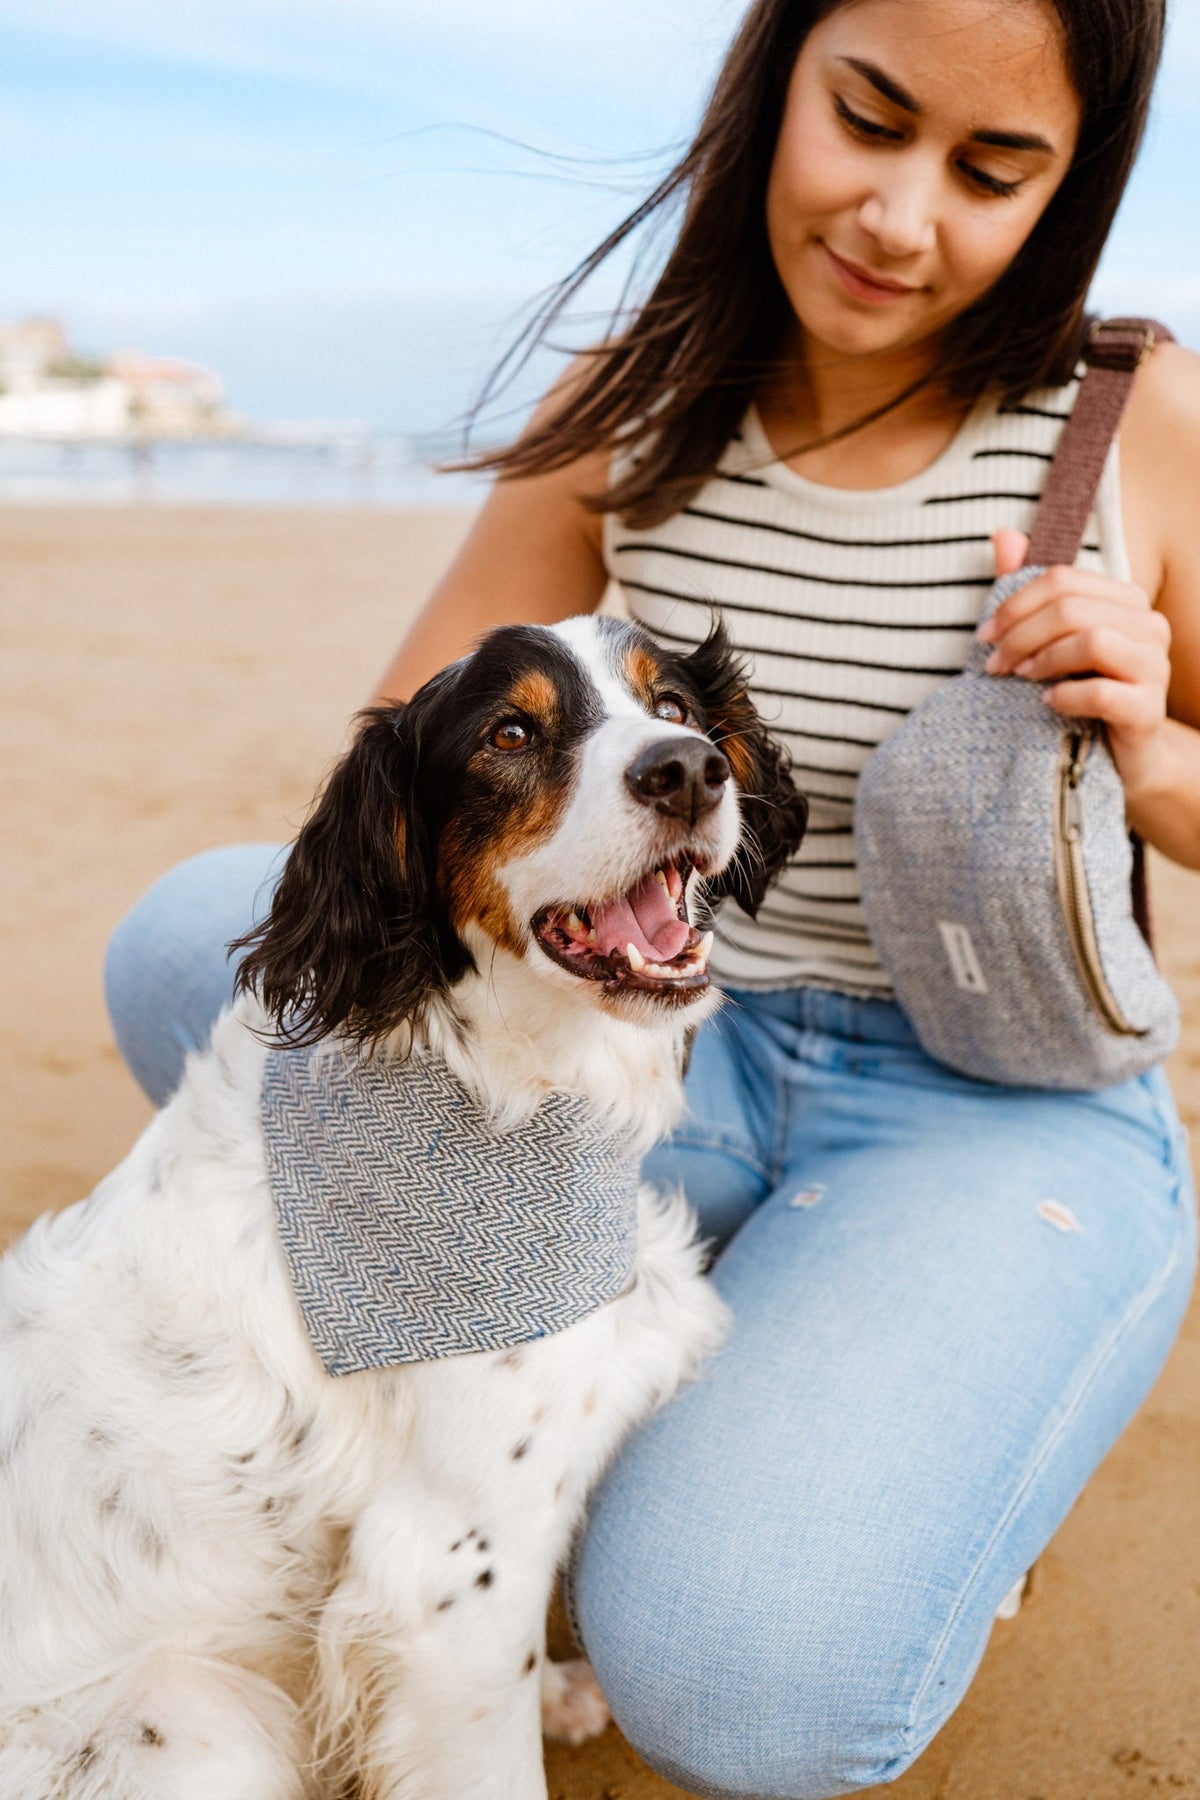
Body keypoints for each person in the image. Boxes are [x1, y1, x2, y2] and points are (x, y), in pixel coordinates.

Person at [105, 0, 1200, 1793]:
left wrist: (1150, 750)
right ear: (773, 87)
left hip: (986, 1111)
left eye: (993, 170)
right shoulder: (634, 396)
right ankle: (716, 1347)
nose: (902, 217)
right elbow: (396, 791)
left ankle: (932, 1403)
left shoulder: (1126, 419)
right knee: (190, 945)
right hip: (657, 1051)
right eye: (870, 118)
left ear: (1070, 193)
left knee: (742, 1685)